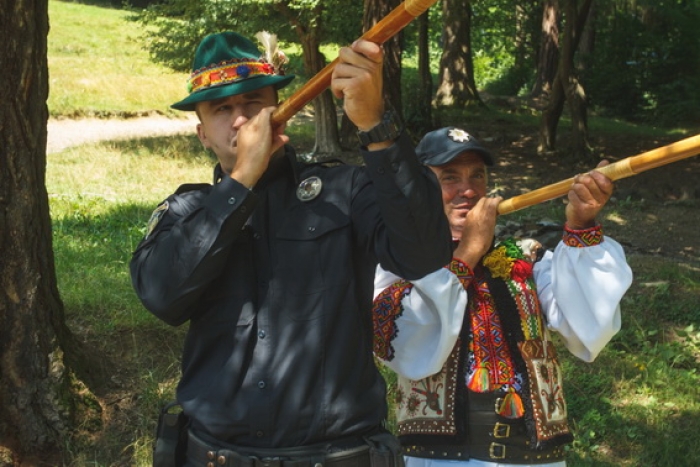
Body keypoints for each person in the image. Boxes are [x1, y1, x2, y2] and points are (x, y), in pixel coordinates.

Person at [130, 31, 452, 467]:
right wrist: (240, 180)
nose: (240, 120)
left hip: (336, 455)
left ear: (280, 111)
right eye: (222, 109)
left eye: (253, 102)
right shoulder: (186, 212)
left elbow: (424, 253)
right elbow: (162, 296)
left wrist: (375, 124)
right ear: (203, 133)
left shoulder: (346, 189)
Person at [372, 127, 633, 467]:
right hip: (441, 460)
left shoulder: (528, 258)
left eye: (477, 175)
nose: (468, 190)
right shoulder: (401, 261)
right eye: (449, 177)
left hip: (536, 460)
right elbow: (395, 338)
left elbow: (589, 327)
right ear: (420, 188)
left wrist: (581, 224)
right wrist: (469, 252)